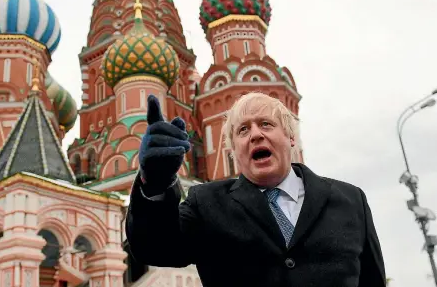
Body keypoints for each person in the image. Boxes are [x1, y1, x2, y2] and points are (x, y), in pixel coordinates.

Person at [126, 92, 386, 287]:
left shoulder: (350, 200)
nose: (255, 135)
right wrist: (155, 181)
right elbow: (155, 247)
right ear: (234, 150)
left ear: (291, 137)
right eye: (242, 130)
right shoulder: (207, 203)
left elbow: (372, 281)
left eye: (266, 124)